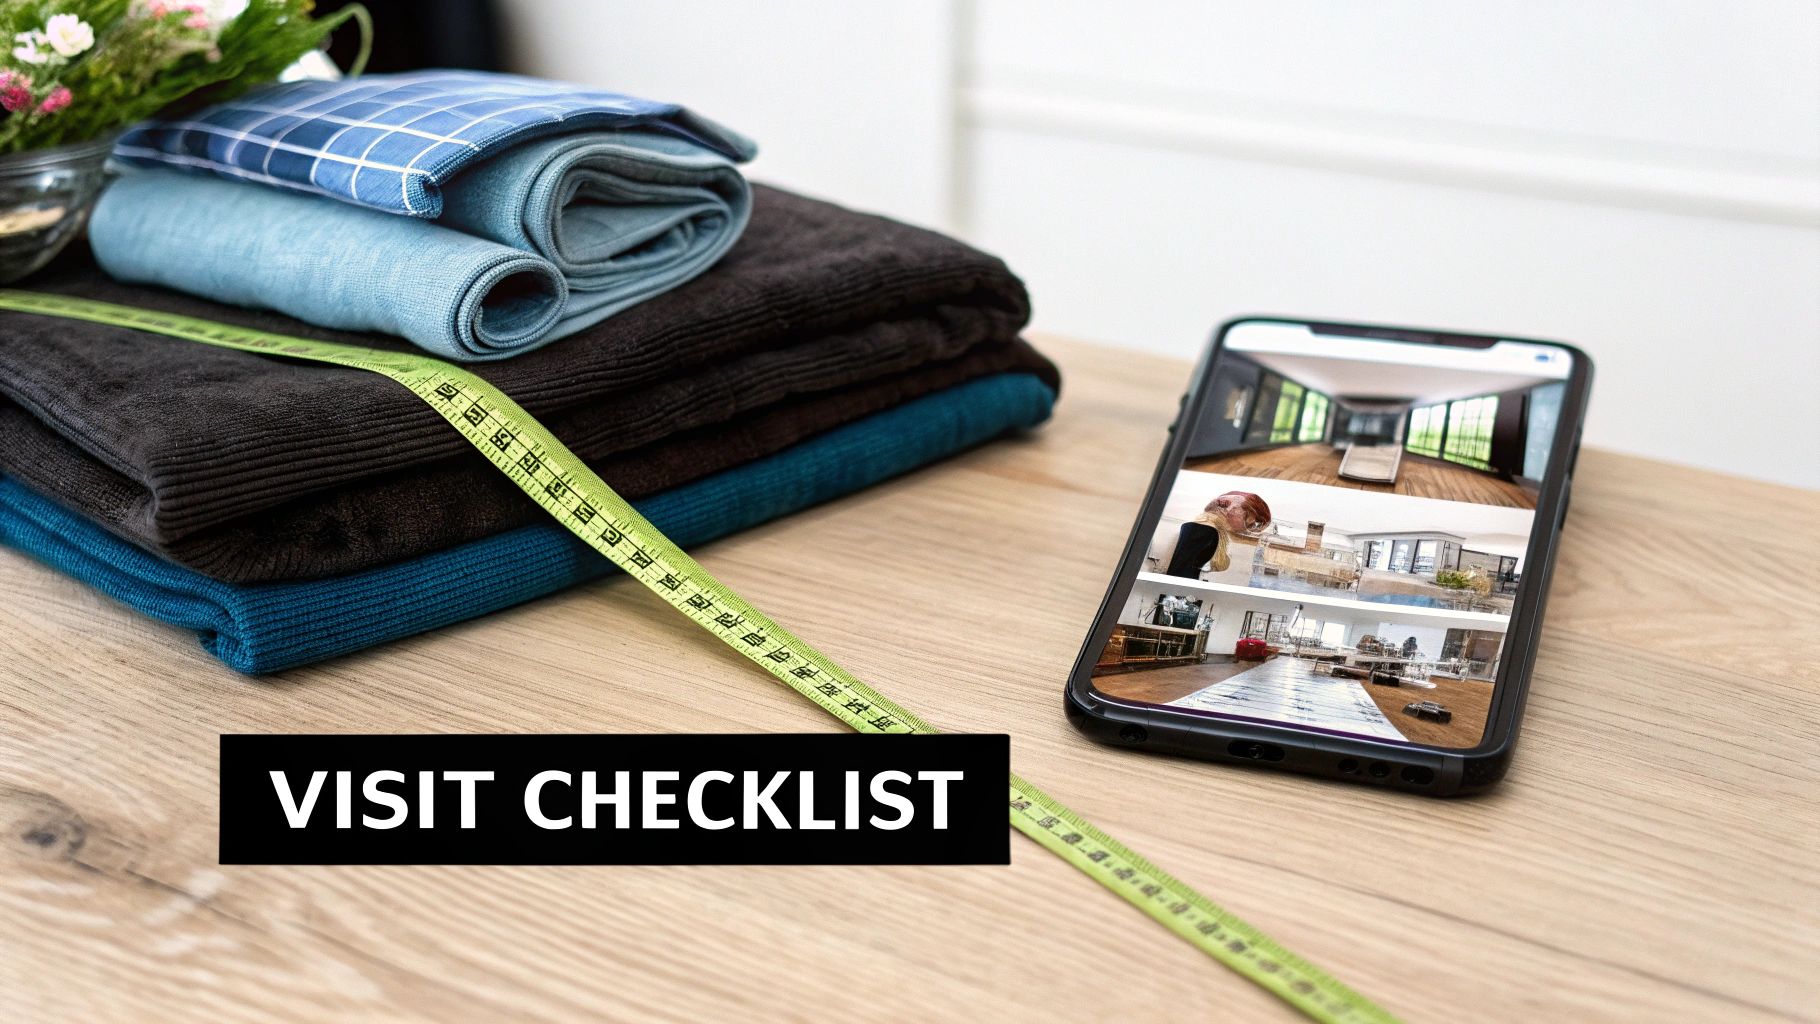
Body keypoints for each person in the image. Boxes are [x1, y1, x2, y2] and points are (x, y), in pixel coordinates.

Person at [1163, 491, 1271, 578]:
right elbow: (1182, 572)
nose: (1246, 529)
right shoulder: (1206, 530)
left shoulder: (1209, 529)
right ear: (1233, 510)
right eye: (1249, 522)